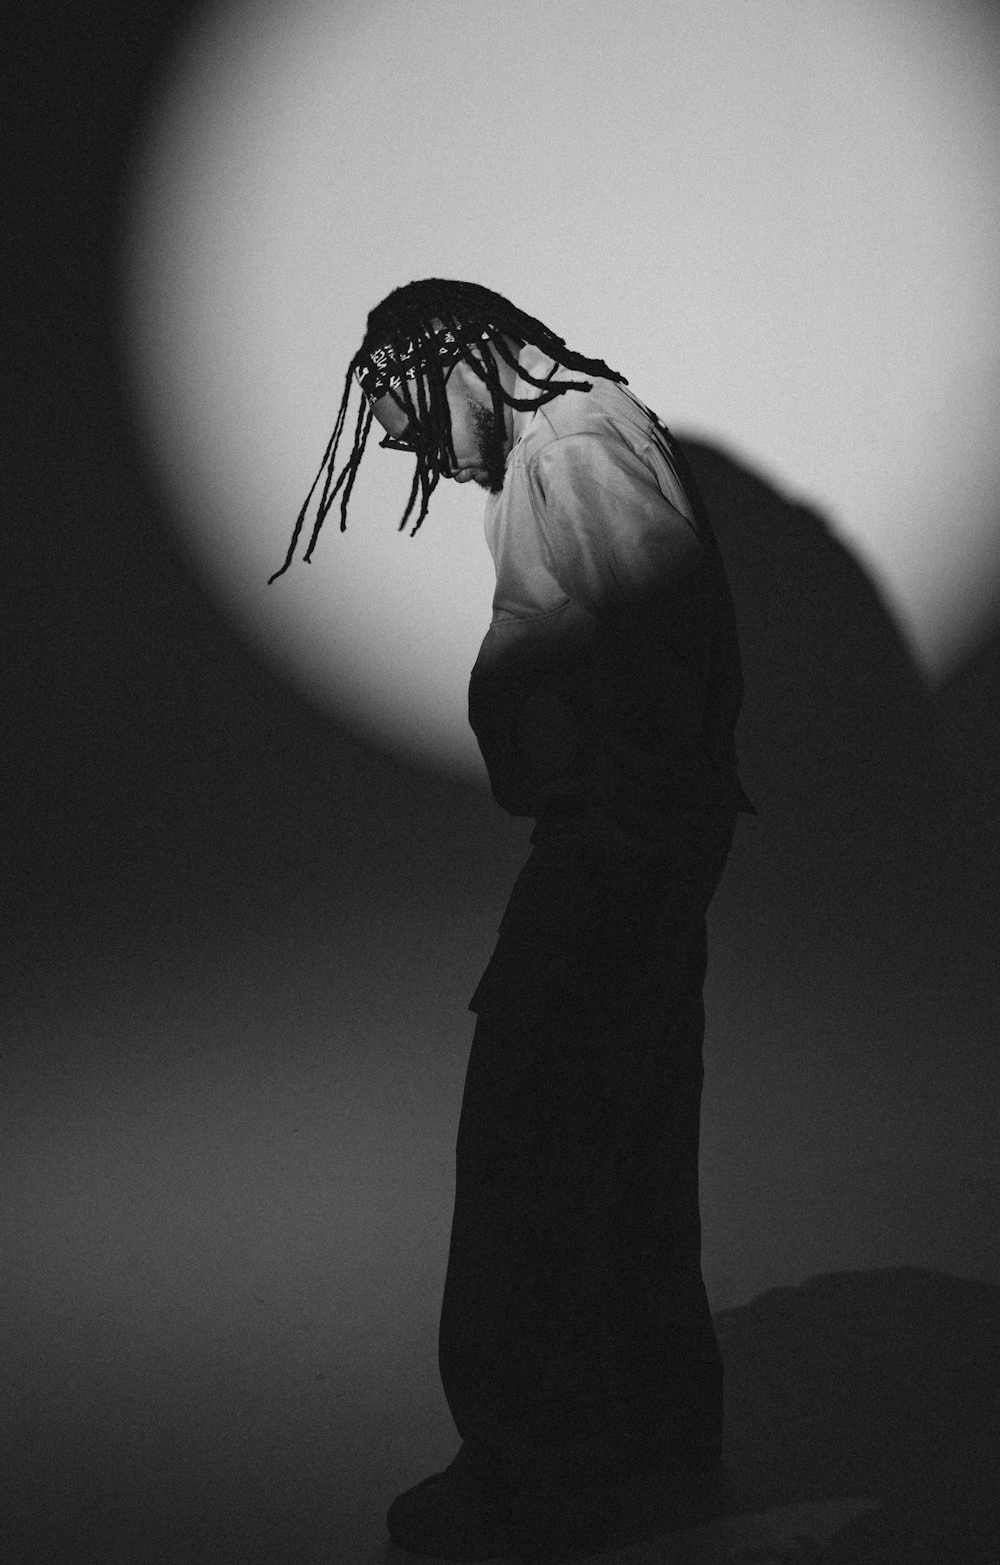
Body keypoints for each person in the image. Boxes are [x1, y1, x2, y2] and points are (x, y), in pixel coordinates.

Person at [270, 278, 755, 1562]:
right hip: (642, 838)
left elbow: (657, 646)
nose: (387, 441)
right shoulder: (575, 435)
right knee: (628, 1136)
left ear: (460, 360)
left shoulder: (578, 443)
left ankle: (529, 1483)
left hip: (621, 848)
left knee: (528, 1157)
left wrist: (616, 825)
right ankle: (655, 1432)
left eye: (395, 404)